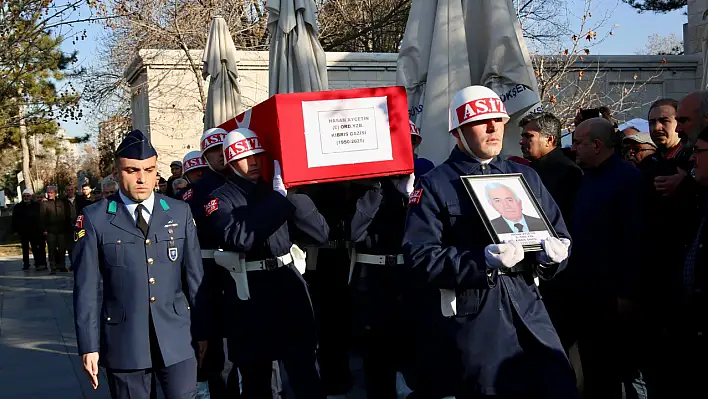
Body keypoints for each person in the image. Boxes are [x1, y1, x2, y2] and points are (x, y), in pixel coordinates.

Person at [403, 85, 577, 398]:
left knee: (557, 385)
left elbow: (558, 235)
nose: (494, 126)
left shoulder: (525, 177)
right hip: (476, 317)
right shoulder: (436, 184)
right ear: (458, 131)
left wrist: (554, 256)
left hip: (530, 309)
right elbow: (420, 256)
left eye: (498, 119)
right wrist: (480, 261)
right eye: (481, 121)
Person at [72, 130, 208, 399]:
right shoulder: (95, 218)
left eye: (149, 169)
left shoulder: (178, 212)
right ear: (116, 172)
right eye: (132, 170)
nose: (142, 178)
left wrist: (204, 330)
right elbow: (87, 288)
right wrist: (88, 345)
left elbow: (195, 278)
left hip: (177, 338)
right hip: (124, 342)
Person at [205, 128, 329, 399]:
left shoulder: (276, 188)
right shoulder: (219, 199)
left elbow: (320, 234)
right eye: (244, 157)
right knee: (257, 377)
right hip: (250, 294)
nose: (253, 162)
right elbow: (240, 237)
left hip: (288, 286)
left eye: (257, 155)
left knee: (304, 370)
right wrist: (277, 200)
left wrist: (294, 193)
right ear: (229, 161)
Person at [570, 118, 647, 399]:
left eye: (578, 143)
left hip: (612, 298)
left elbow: (633, 240)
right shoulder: (586, 177)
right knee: (593, 373)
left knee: (612, 375)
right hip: (586, 294)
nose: (574, 148)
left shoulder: (627, 180)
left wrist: (626, 293)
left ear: (597, 145)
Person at [348, 170, 416, 398]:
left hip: (403, 272)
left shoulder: (414, 183)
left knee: (407, 339)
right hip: (372, 273)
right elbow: (354, 231)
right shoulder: (358, 186)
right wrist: (375, 189)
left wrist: (409, 196)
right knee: (375, 347)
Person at [181, 133, 232, 399]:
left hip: (240, 268)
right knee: (213, 337)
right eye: (213, 152)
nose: (220, 155)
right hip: (209, 269)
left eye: (223, 150)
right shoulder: (196, 191)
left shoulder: (240, 182)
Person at [40, 185, 70, 274]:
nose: (50, 194)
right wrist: (44, 229)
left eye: (52, 193)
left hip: (61, 229)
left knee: (62, 249)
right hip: (50, 230)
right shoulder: (44, 204)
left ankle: (62, 266)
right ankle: (53, 267)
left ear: (55, 193)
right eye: (48, 193)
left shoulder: (61, 202)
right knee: (51, 249)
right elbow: (42, 217)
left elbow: (66, 214)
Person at [13, 188, 46, 270]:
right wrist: (15, 230)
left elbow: (40, 217)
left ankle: (37, 263)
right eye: (24, 196)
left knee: (35, 247)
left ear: (31, 196)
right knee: (25, 248)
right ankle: (26, 263)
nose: (26, 197)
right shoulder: (18, 207)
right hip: (23, 231)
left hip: (34, 230)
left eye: (28, 196)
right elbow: (15, 219)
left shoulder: (37, 205)